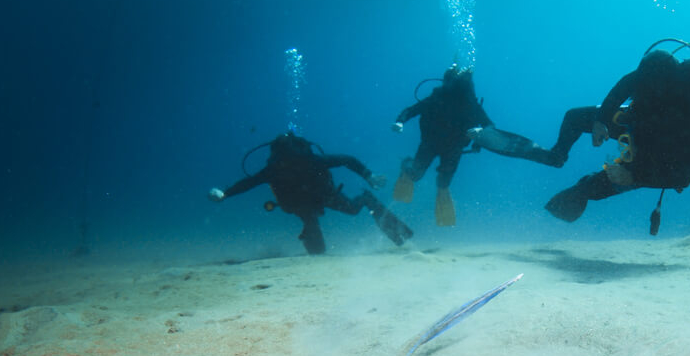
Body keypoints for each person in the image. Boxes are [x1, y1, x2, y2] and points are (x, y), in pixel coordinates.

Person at [544, 40, 690, 234]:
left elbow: (687, 175)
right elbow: (625, 85)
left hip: (660, 163)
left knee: (587, 187)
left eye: (647, 95)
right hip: (639, 126)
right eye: (640, 91)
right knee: (574, 118)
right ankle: (557, 156)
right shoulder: (652, 79)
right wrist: (601, 119)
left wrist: (635, 177)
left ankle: (579, 195)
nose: (640, 96)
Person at [208, 131, 413, 253]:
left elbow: (249, 182)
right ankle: (317, 244)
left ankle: (379, 212)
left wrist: (226, 194)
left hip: (322, 196)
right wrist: (226, 193)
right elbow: (347, 160)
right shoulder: (286, 166)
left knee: (346, 210)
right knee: (318, 224)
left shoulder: (290, 165)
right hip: (306, 202)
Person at [391, 65, 494, 226]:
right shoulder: (436, 98)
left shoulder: (470, 104)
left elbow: (489, 125)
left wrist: (480, 131)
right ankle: (406, 167)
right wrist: (400, 121)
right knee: (415, 175)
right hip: (430, 144)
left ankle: (434, 188)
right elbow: (411, 110)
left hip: (454, 148)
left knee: (443, 183)